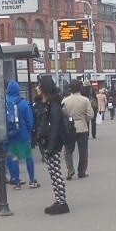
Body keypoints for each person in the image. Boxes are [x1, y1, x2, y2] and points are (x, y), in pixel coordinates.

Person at [36, 75, 69, 215]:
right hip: (49, 144)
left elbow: (55, 127)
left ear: (44, 87)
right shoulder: (49, 103)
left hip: (52, 145)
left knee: (56, 173)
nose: (37, 87)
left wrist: (50, 147)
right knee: (53, 173)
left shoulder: (54, 105)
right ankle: (59, 200)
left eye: (39, 85)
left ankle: (62, 203)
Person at [4, 80, 39, 189]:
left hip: (10, 135)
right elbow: (30, 121)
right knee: (28, 157)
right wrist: (27, 132)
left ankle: (16, 182)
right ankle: (32, 181)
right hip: (23, 134)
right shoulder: (23, 103)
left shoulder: (4, 103)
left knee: (13, 158)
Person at [62, 79, 93, 180]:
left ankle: (70, 169)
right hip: (82, 127)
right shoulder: (85, 100)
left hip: (69, 129)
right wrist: (84, 120)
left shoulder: (65, 101)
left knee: (68, 150)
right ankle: (81, 171)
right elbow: (90, 115)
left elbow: (62, 115)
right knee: (83, 151)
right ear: (80, 88)